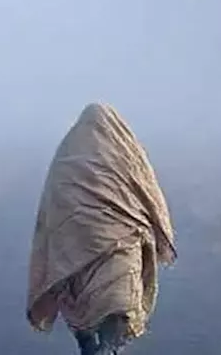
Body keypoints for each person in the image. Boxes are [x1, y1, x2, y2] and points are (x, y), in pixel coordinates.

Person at [26, 103, 177, 355]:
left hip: (75, 255)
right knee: (118, 305)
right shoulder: (128, 156)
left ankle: (95, 346)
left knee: (85, 309)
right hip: (121, 249)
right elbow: (149, 193)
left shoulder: (66, 160)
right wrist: (157, 229)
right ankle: (107, 347)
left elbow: (52, 211)